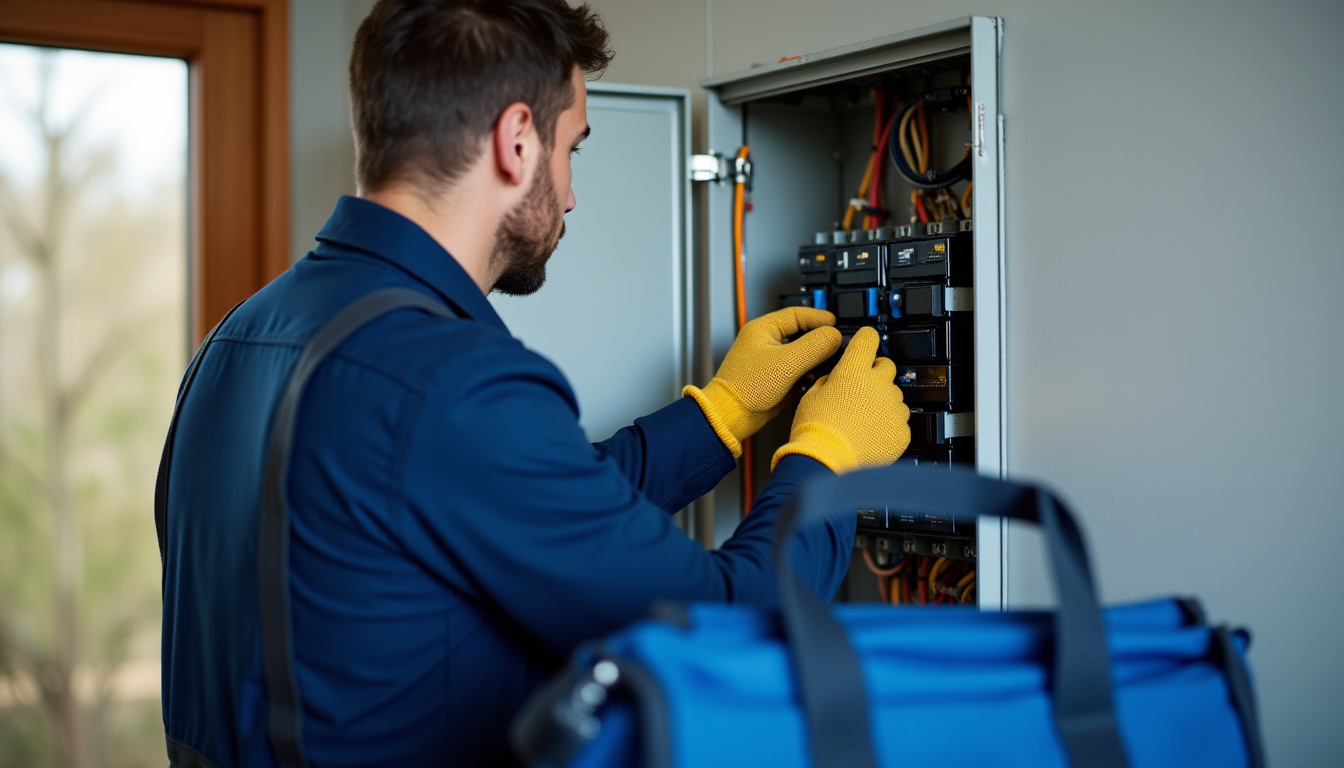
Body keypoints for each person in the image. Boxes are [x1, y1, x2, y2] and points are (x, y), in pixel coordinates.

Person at [158, 1, 911, 766]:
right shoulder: (449, 378)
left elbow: (526, 510)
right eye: (571, 149)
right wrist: (826, 461)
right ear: (517, 141)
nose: (573, 193)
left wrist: (720, 413)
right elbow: (721, 628)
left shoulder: (236, 340)